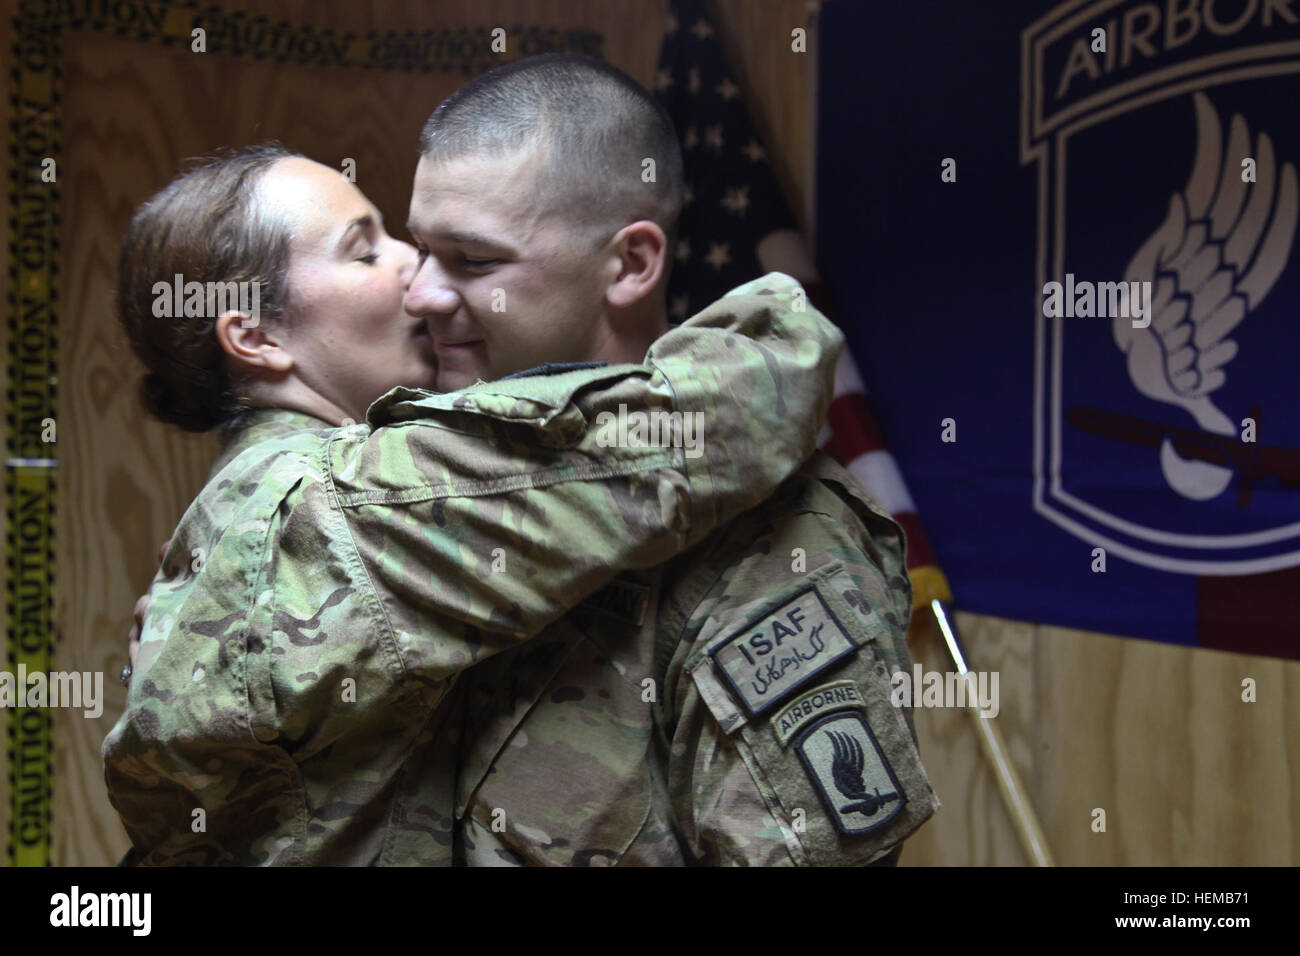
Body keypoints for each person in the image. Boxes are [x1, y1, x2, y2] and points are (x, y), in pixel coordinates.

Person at [102, 141, 843, 865]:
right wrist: (791, 328)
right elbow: (728, 414)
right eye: (366, 252)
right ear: (256, 336)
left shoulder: (245, 513)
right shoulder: (337, 506)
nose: (416, 277)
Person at [401, 53, 941, 866]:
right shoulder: (430, 480)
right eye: (418, 251)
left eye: (472, 262)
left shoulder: (772, 545)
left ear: (629, 264)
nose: (420, 296)